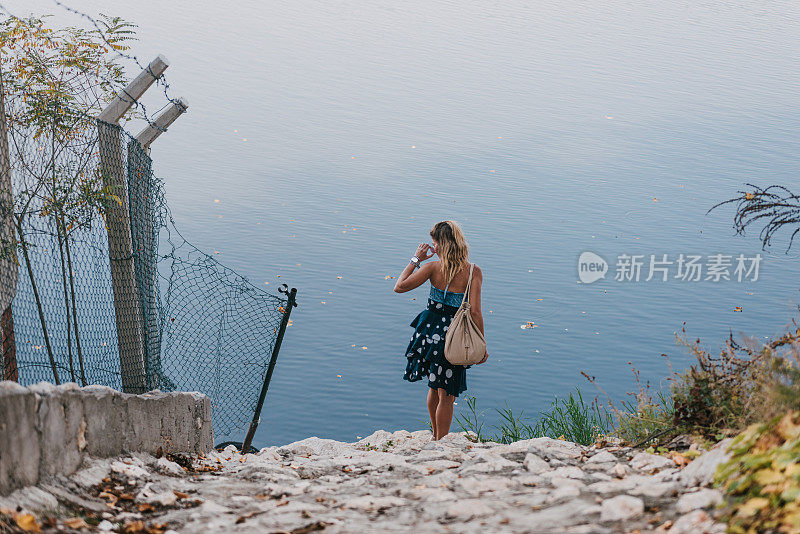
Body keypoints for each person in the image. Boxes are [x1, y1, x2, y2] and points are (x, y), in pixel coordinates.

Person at [394, 220, 488, 440]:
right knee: (447, 394)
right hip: (453, 338)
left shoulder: (432, 268)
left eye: (435, 243)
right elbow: (475, 313)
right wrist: (481, 344)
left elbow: (399, 286)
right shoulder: (473, 272)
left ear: (442, 244)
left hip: (428, 333)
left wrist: (416, 259)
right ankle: (441, 442)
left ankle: (436, 437)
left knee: (435, 387)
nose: (433, 247)